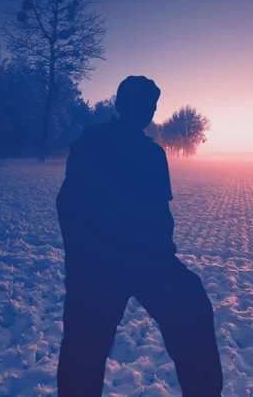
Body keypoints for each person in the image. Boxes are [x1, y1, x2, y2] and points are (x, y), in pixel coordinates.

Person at [56, 75, 223, 396]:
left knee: (193, 307)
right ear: (121, 105)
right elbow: (69, 206)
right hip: (103, 264)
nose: (147, 111)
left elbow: (159, 218)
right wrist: (82, 261)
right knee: (84, 348)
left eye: (151, 105)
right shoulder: (95, 146)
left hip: (142, 261)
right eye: (142, 104)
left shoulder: (148, 154)